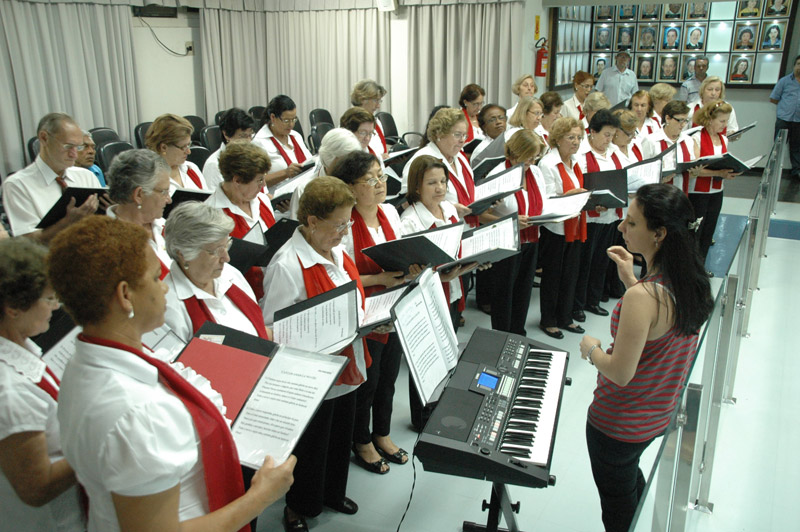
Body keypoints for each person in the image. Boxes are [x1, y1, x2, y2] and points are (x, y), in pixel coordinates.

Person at [50, 215, 295, 532]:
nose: (165, 288)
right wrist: (260, 497)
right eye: (155, 278)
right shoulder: (138, 411)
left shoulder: (93, 357)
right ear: (126, 296)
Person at [580, 183, 714, 532]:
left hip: (617, 422)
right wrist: (631, 281)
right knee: (626, 484)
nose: (621, 228)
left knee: (617, 506)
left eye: (632, 223)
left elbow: (621, 372)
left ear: (660, 234)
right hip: (655, 414)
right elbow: (656, 327)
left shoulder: (644, 297)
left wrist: (592, 349)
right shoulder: (689, 281)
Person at [261, 176, 369, 531]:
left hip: (346, 360)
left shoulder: (336, 248)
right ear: (311, 222)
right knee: (311, 444)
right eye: (339, 224)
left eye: (348, 222)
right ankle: (299, 506)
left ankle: (332, 493)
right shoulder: (287, 264)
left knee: (341, 434)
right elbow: (273, 329)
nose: (344, 231)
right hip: (311, 371)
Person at [330, 151, 412, 475]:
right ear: (350, 187)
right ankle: (361, 441)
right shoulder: (346, 225)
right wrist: (379, 278)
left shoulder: (389, 211)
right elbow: (341, 275)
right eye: (371, 179)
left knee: (390, 376)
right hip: (365, 314)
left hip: (394, 306)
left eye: (382, 175)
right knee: (370, 379)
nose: (382, 183)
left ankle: (383, 433)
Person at [0, 237, 84, 531]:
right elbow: (36, 487)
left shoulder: (20, 345)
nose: (56, 306)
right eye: (48, 298)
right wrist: (97, 439)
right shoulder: (9, 391)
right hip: (53, 522)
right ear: (13, 307)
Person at [163, 202, 269, 343]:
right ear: (183, 254)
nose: (226, 258)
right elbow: (174, 363)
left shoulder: (231, 275)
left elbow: (259, 331)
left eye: (226, 246)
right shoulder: (168, 306)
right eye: (215, 251)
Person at [399, 156, 478, 330]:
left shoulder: (448, 208)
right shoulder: (410, 222)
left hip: (453, 286)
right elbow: (409, 272)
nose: (440, 188)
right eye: (432, 183)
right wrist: (441, 277)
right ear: (417, 187)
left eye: (443, 181)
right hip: (426, 297)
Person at [486, 130, 547, 335]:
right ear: (516, 152)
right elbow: (480, 215)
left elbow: (542, 204)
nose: (532, 160)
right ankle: (502, 336)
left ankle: (518, 334)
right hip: (506, 242)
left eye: (535, 156)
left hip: (531, 239)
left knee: (524, 291)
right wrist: (511, 222)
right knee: (504, 294)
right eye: (529, 155)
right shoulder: (498, 174)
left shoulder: (535, 172)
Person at [2, 112, 100, 239]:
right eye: (68, 146)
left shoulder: (86, 176)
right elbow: (28, 242)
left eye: (78, 147)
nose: (74, 155)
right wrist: (68, 222)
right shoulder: (18, 185)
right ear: (44, 138)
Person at [537, 117, 587, 339]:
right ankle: (548, 320)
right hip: (555, 228)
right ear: (557, 139)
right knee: (553, 276)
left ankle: (565, 317)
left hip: (574, 224)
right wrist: (569, 196)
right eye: (571, 137)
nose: (576, 142)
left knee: (570, 274)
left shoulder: (575, 161)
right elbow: (544, 199)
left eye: (578, 137)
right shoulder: (548, 164)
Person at [208, 141, 276, 300]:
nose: (264, 185)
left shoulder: (261, 201)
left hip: (274, 286)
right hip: (242, 293)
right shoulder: (211, 213)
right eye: (259, 180)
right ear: (237, 180)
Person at [574, 110, 623, 323]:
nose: (609, 139)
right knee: (586, 262)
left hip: (611, 215)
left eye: (612, 135)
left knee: (602, 260)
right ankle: (579, 303)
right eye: (605, 134)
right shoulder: (581, 154)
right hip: (590, 218)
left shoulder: (614, 151)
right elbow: (579, 184)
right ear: (592, 132)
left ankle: (594, 299)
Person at [106, 149, 174, 279]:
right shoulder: (111, 243)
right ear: (139, 195)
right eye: (164, 192)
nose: (169, 199)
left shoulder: (164, 225)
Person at [401, 108, 476, 224]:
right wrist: (449, 208)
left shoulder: (459, 157)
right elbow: (409, 201)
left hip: (466, 225)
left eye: (464, 135)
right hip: (438, 227)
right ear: (439, 134)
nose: (462, 141)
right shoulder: (421, 160)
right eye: (457, 135)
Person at [690, 101, 741, 262]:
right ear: (710, 119)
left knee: (709, 230)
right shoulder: (696, 137)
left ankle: (701, 266)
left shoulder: (723, 139)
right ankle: (690, 267)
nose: (725, 125)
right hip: (698, 192)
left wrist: (730, 171)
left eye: (726, 121)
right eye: (722, 121)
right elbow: (694, 170)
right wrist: (719, 172)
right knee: (696, 231)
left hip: (717, 191)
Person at [287, 128, 362, 221]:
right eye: (346, 161)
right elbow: (299, 228)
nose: (352, 167)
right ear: (330, 158)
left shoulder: (358, 182)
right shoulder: (304, 190)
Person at [252, 95, 312, 188]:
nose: (291, 125)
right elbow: (254, 182)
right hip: (277, 196)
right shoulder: (259, 142)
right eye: (286, 120)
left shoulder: (295, 136)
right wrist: (285, 173)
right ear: (273, 117)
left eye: (294, 119)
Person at [146, 113, 208, 192]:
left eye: (189, 145)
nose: (188, 152)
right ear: (163, 147)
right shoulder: (150, 179)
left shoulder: (191, 169)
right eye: (183, 147)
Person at [202, 108, 256, 190]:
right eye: (243, 136)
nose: (248, 141)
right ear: (226, 134)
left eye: (250, 135)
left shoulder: (252, 156)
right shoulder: (214, 164)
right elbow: (214, 199)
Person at [770, 55, 800, 180]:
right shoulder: (785, 81)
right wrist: (786, 108)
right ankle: (773, 170)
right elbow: (773, 98)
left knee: (796, 147)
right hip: (784, 119)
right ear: (794, 65)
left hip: (798, 121)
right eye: (798, 64)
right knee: (778, 145)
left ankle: (796, 172)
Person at [350, 79, 390, 158]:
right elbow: (353, 155)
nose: (378, 106)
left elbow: (381, 149)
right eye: (375, 100)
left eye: (379, 101)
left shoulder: (376, 121)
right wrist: (378, 158)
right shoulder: (350, 122)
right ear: (362, 99)